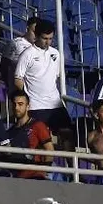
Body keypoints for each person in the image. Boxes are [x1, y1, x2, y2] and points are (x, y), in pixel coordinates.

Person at [13, 19, 73, 147]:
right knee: (40, 142)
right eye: (45, 38)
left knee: (68, 135)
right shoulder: (27, 54)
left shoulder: (55, 53)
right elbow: (18, 79)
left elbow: (55, 76)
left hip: (55, 104)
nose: (48, 42)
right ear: (37, 36)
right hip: (36, 106)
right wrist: (26, 99)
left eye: (50, 38)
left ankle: (72, 165)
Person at [6, 89, 54, 180]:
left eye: (20, 104)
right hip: (16, 179)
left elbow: (49, 149)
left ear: (28, 106)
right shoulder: (10, 131)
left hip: (34, 177)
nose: (16, 107)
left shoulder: (38, 125)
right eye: (14, 104)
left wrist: (45, 171)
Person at [2, 17, 37, 92]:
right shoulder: (15, 43)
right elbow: (4, 65)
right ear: (27, 29)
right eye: (34, 32)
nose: (36, 35)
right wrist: (9, 84)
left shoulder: (41, 48)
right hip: (17, 89)